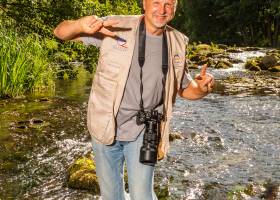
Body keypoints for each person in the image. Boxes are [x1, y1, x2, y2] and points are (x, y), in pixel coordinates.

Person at [54, 0, 214, 199]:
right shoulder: (116, 26)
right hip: (105, 124)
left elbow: (184, 88)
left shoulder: (178, 42)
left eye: (168, 4)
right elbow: (60, 33)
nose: (162, 10)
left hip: (145, 130)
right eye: (156, 2)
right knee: (111, 196)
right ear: (144, 3)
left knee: (142, 195)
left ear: (175, 6)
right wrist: (78, 25)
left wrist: (201, 89)